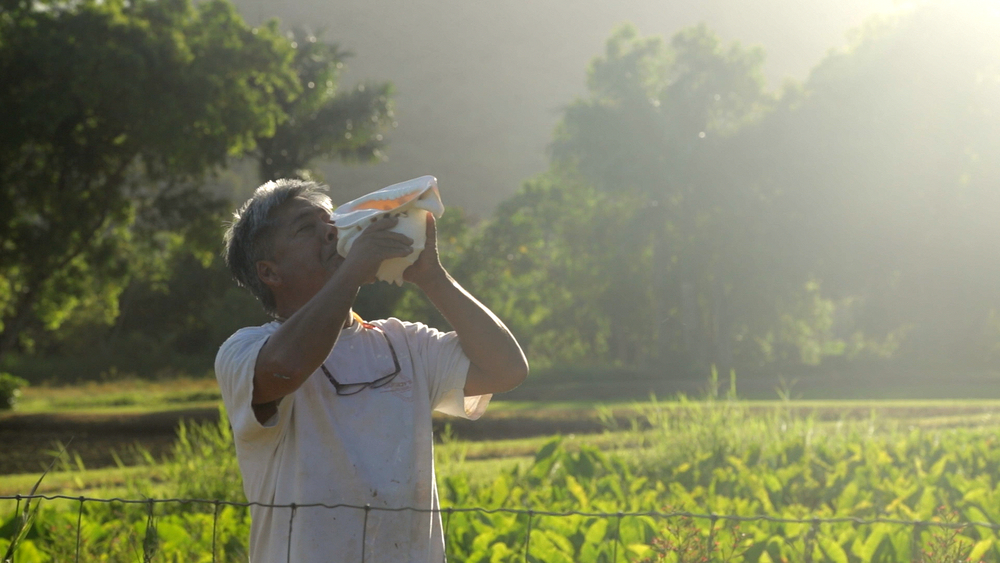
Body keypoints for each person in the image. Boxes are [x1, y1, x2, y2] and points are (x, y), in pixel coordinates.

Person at [214, 179, 528, 563]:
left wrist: (432, 277)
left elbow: (507, 369)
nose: (330, 231)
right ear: (270, 273)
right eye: (305, 229)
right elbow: (286, 369)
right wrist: (354, 270)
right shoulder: (244, 351)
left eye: (330, 221)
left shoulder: (404, 342)